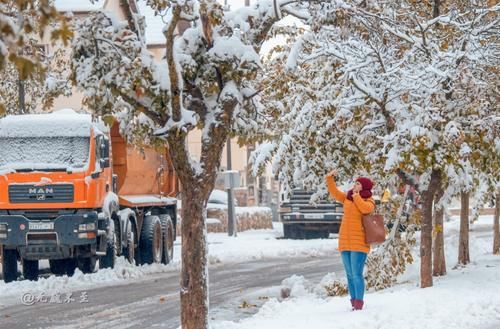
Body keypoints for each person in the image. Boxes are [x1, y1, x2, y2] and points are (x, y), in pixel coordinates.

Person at [325, 170, 375, 311]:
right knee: (349, 274)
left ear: (364, 187)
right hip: (345, 241)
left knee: (356, 274)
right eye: (355, 183)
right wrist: (329, 178)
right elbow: (334, 192)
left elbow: (365, 210)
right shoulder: (348, 197)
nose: (355, 185)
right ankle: (353, 302)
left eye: (358, 183)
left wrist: (357, 197)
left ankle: (359, 303)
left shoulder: (369, 200)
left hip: (359, 243)